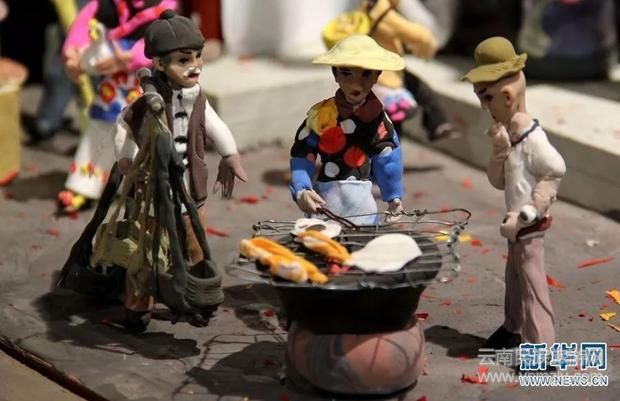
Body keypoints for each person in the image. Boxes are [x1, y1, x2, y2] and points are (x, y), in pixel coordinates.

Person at [111, 9, 247, 332]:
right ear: (159, 64)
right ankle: (138, 306)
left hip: (191, 192)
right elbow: (124, 128)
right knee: (145, 252)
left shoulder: (197, 96)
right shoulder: (148, 101)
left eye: (198, 57)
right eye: (184, 60)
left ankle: (194, 297)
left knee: (195, 246)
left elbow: (214, 123)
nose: (195, 65)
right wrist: (128, 160)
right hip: (154, 194)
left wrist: (230, 154)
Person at [462, 37, 566, 349]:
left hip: (528, 225)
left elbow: (555, 170)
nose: (484, 107)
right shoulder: (511, 136)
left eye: (486, 97)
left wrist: (530, 211)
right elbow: (499, 182)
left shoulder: (533, 140)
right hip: (515, 228)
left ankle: (542, 349)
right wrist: (498, 154)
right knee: (515, 280)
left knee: (533, 286)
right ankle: (513, 328)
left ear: (507, 96)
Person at [57, 0, 177, 213]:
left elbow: (168, 40)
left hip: (145, 85)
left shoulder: (164, 7)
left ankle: (138, 189)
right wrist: (73, 51)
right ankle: (85, 184)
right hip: (112, 88)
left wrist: (134, 57)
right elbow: (84, 23)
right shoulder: (108, 4)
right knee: (99, 133)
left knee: (142, 139)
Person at [289, 34, 405, 225]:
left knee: (365, 238)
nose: (356, 84)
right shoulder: (321, 115)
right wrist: (302, 189)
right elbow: (303, 153)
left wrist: (394, 197)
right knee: (322, 240)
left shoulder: (378, 120)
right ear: (335, 74)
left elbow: (388, 157)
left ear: (377, 75)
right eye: (346, 73)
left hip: (363, 201)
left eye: (366, 74)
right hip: (325, 199)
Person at [363, 0, 461, 141]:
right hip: (385, 76)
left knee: (421, 91)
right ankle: (436, 125)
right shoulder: (382, 12)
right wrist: (428, 47)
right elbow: (417, 34)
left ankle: (438, 124)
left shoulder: (369, 7)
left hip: (380, 69)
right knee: (392, 126)